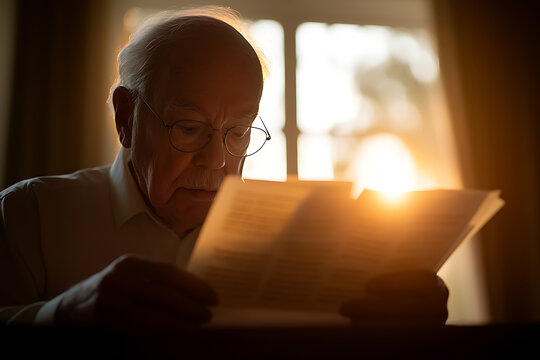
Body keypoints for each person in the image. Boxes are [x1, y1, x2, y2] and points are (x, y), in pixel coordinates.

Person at [0, 7, 448, 332]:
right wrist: (62, 315)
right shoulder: (30, 215)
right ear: (124, 117)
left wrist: (408, 330)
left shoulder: (295, 238)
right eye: (190, 127)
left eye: (238, 132)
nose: (217, 161)